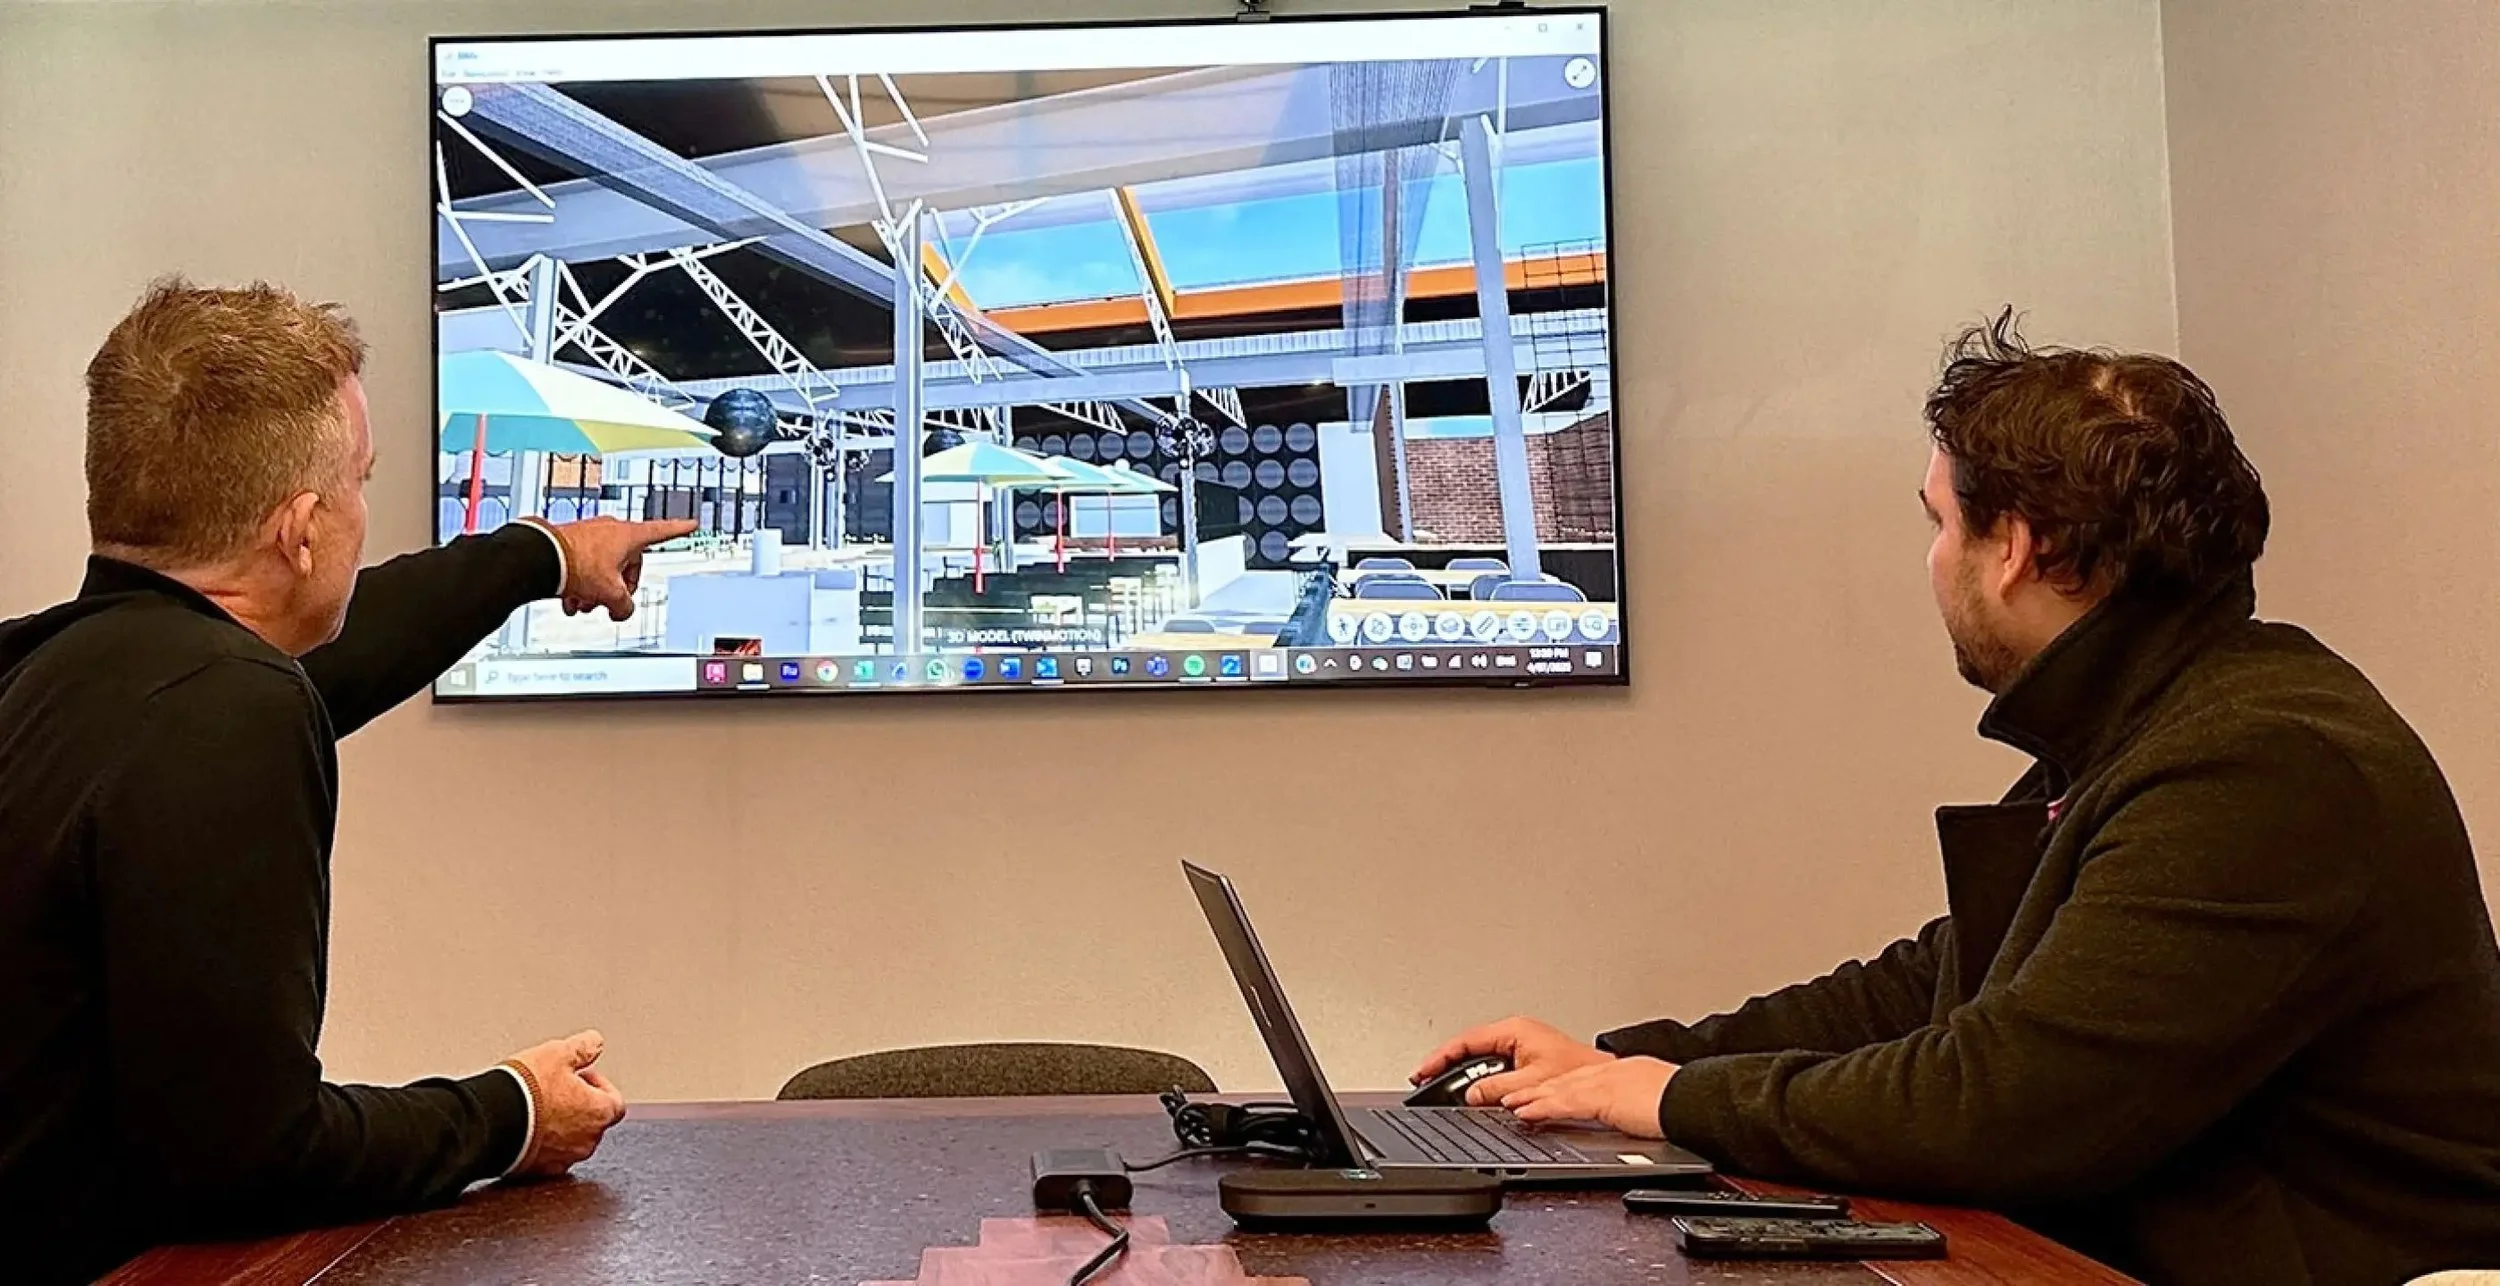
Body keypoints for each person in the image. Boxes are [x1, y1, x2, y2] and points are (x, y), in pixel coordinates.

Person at [1414, 313, 2500, 1286]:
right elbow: (1941, 978)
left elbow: (1996, 1104)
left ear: (2017, 546)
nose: (1933, 559)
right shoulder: (2169, 716)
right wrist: (1628, 1064)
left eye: (1940, 523)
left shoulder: (2262, 765)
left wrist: (1664, 1099)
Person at [0, 279, 695, 1284]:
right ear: (301, 530)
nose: (366, 516)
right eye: (362, 483)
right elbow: (246, 1158)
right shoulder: (229, 706)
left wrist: (545, 556)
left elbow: (337, 647)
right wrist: (514, 1111)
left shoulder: (49, 671)